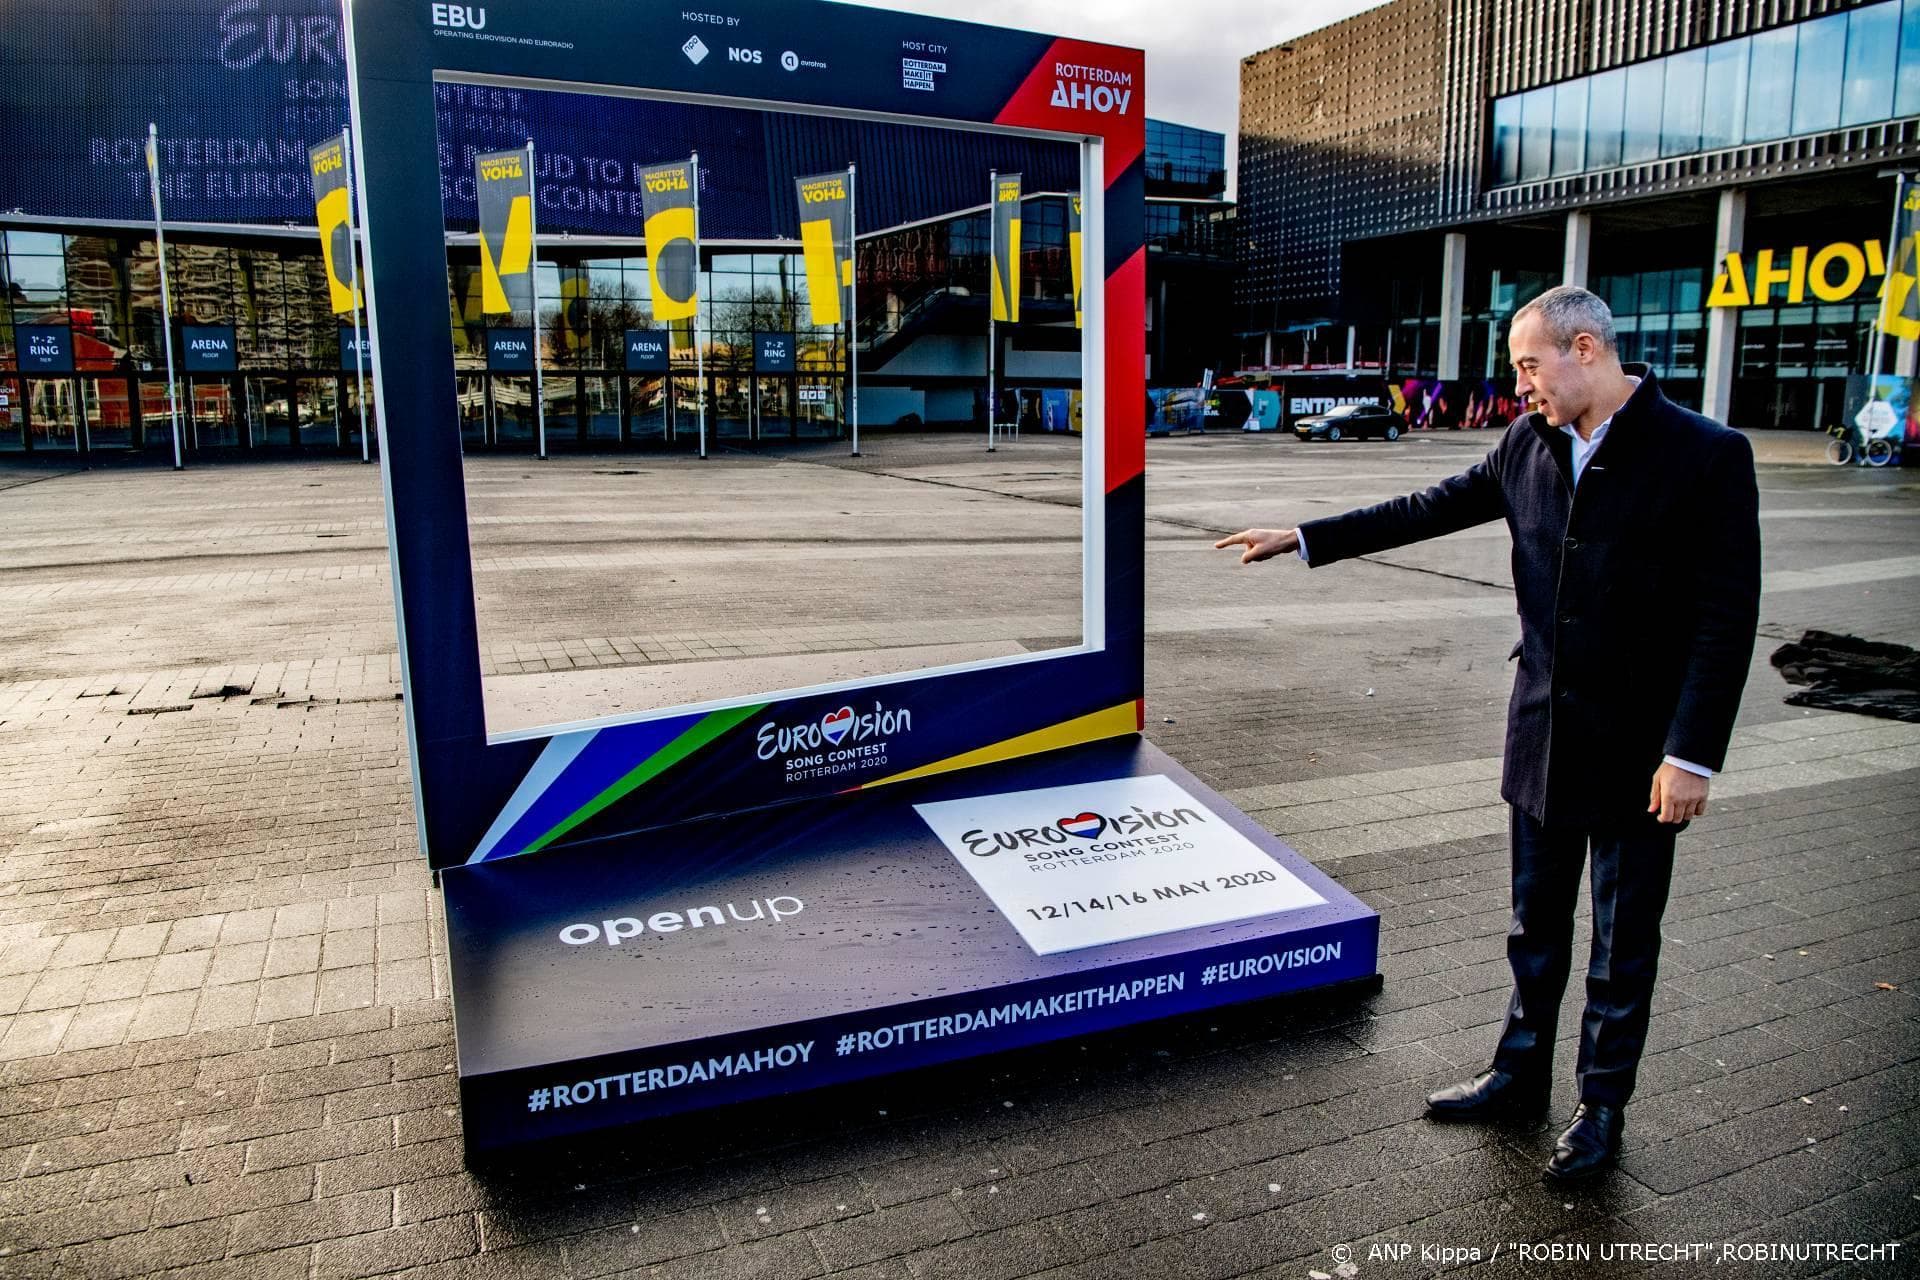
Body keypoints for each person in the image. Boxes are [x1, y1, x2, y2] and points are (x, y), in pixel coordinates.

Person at [1214, 286, 1760, 1181]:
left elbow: (1726, 617)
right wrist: (1306, 537)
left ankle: (1601, 1105)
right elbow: (1428, 507)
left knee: (1623, 943)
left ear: (1586, 349)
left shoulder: (1705, 455)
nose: (1521, 386)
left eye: (1528, 365)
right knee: (1533, 925)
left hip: (1642, 755)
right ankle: (1517, 1072)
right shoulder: (1527, 442)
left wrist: (1690, 753)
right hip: (1542, 733)